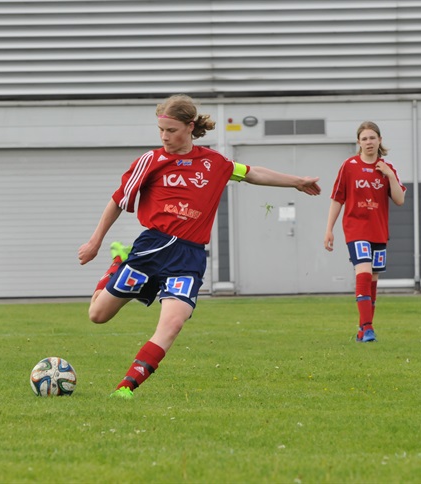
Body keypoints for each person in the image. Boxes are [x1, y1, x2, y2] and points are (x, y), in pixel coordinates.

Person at [78, 94, 322, 399]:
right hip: (151, 249)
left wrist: (296, 181)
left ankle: (126, 387)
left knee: (173, 323)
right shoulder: (150, 161)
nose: (164, 137)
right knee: (98, 315)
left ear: (190, 126)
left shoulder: (215, 163)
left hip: (188, 257)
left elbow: (253, 173)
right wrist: (95, 241)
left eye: (171, 130)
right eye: (161, 130)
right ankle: (118, 262)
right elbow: (118, 200)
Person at [323, 121, 406, 342]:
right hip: (355, 229)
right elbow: (337, 199)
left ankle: (362, 330)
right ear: (358, 142)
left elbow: (399, 200)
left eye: (372, 138)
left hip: (378, 231)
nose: (369, 142)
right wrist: (329, 229)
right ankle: (368, 328)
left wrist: (389, 175)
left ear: (380, 140)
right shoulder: (349, 166)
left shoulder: (387, 168)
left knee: (373, 279)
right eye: (364, 139)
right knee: (364, 273)